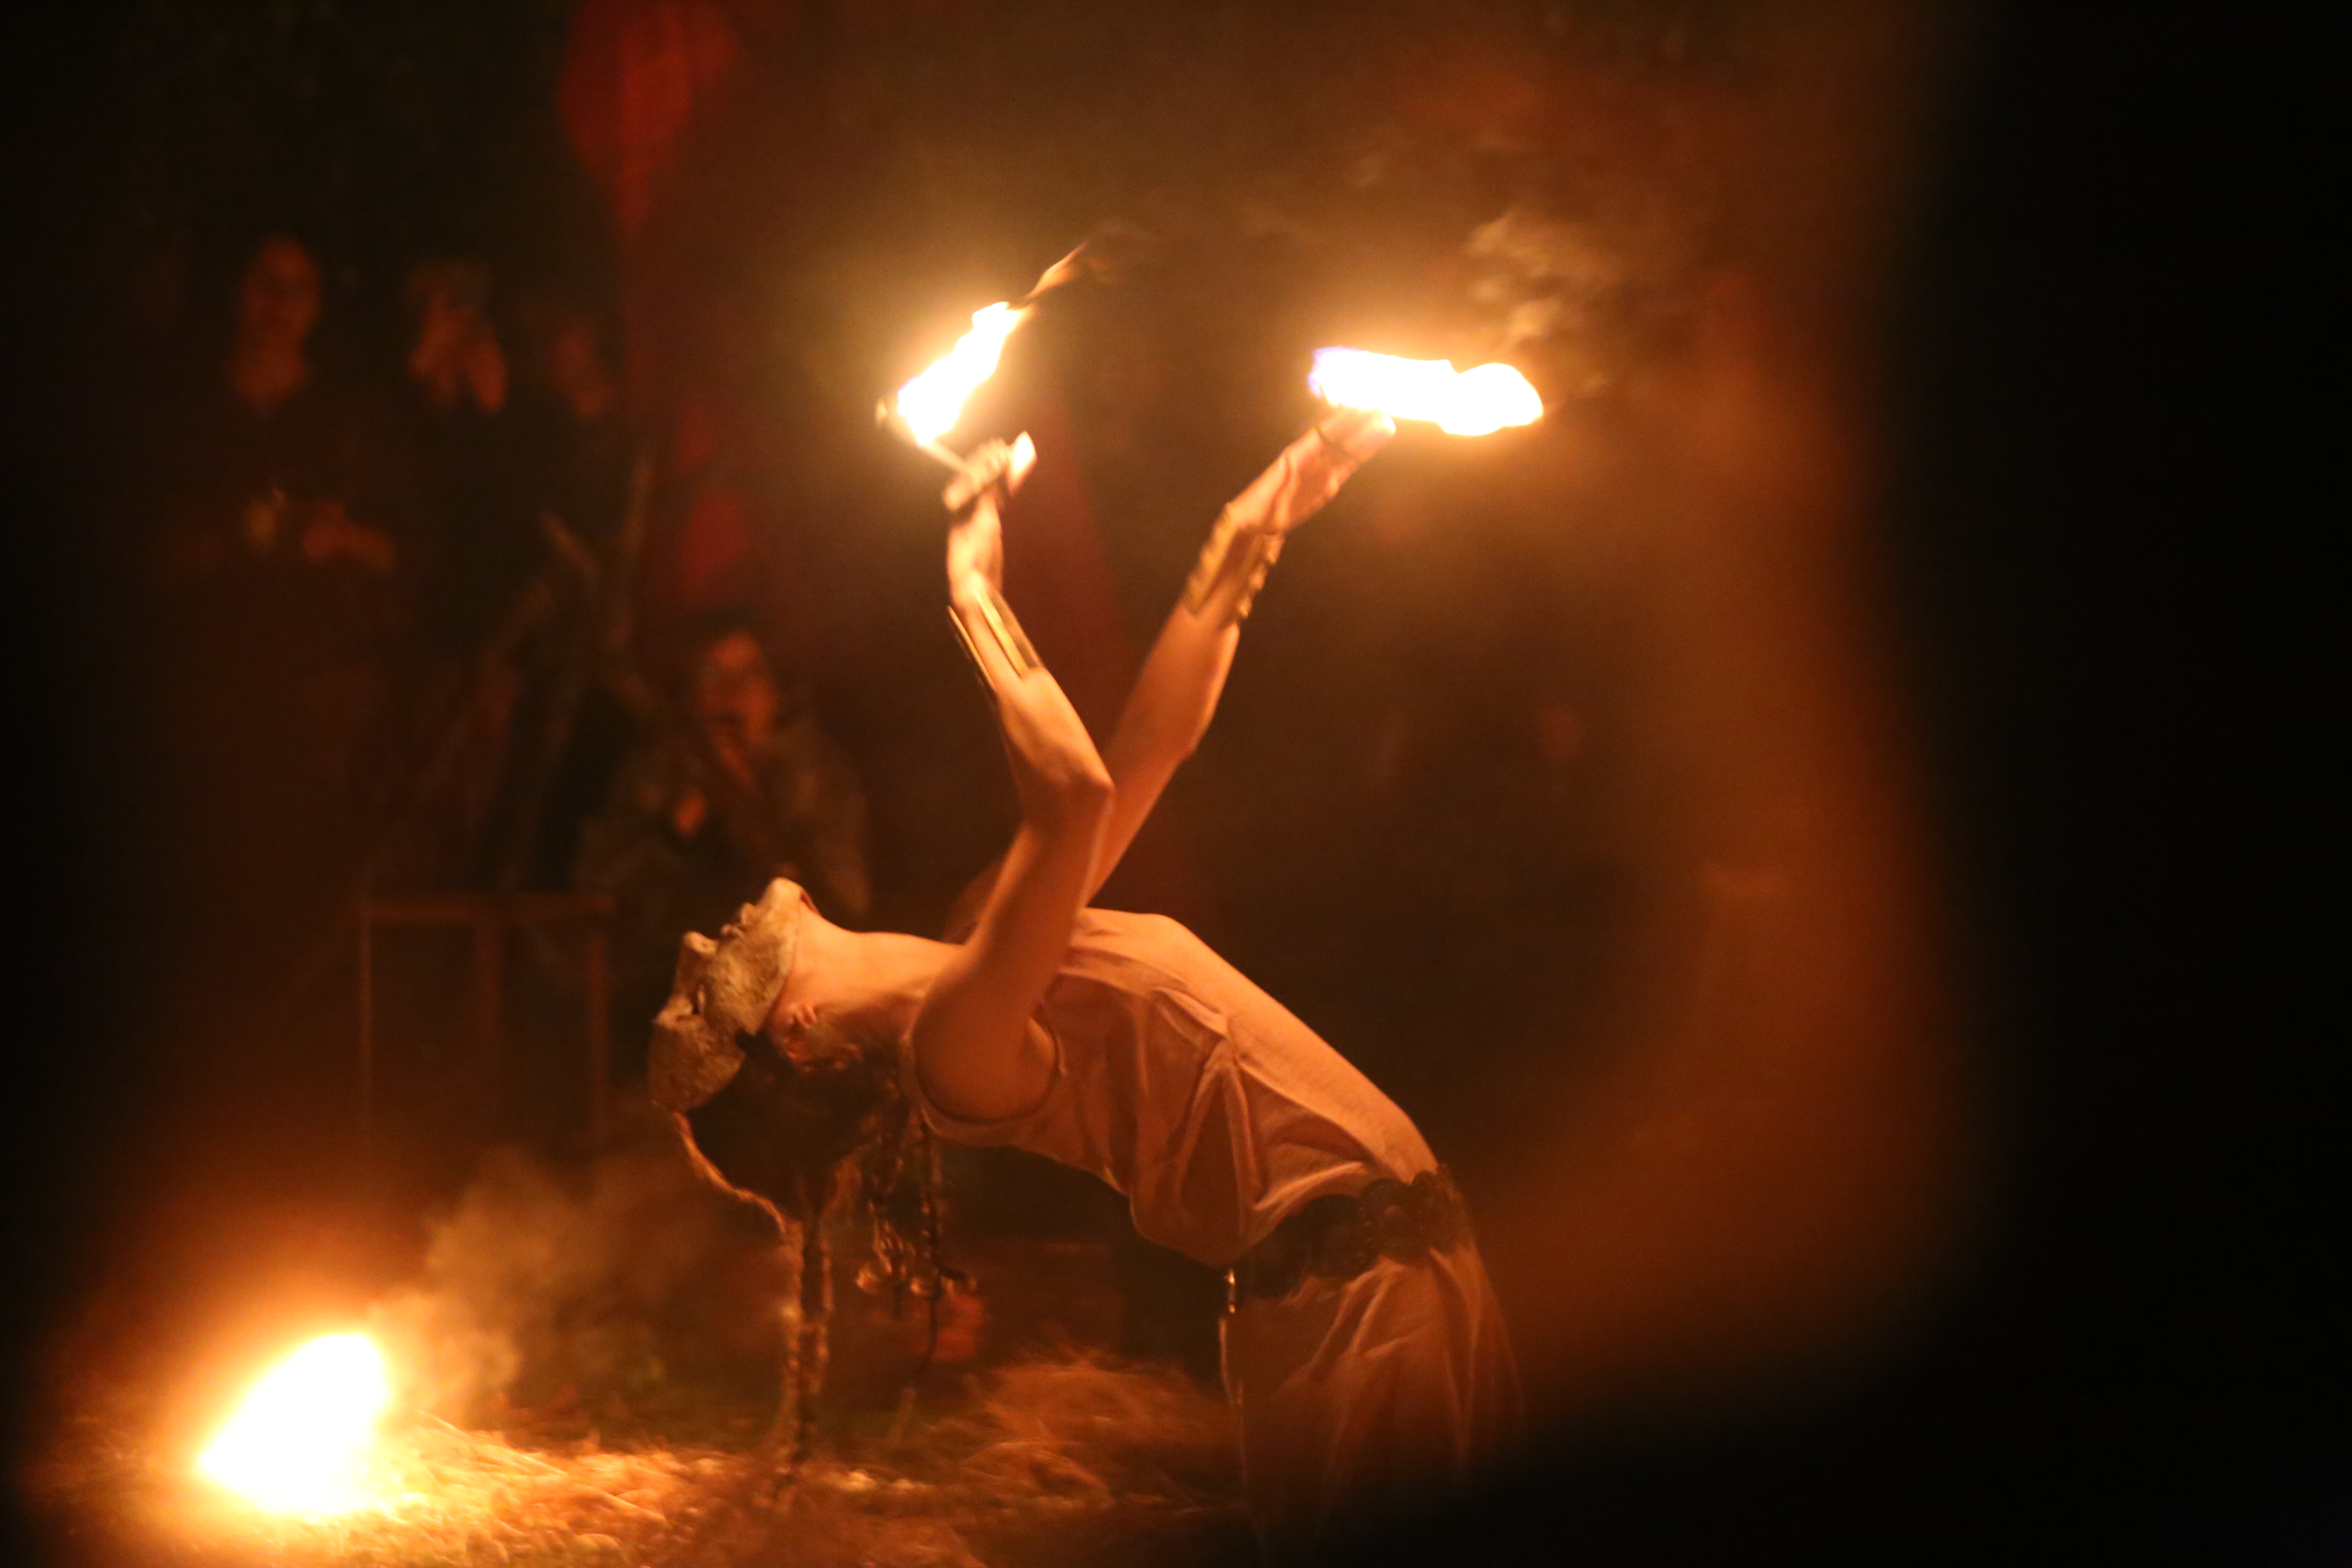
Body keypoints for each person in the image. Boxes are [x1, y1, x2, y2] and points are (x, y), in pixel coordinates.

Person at [648, 408, 1520, 1559]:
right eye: (714, 998)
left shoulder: (982, 941)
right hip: (1347, 1320)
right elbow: (1074, 793)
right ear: (797, 1038)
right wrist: (973, 596)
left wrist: (1251, 527)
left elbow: (1145, 745)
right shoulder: (953, 1052)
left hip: (1412, 1279)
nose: (711, 945)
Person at [581, 613, 873, 1074]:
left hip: (800, 1016)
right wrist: (677, 828)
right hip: (669, 1021)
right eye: (712, 675)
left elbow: (848, 904)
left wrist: (755, 809)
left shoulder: (814, 776)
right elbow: (603, 895)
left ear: (776, 692)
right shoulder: (658, 774)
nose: (731, 691)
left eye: (750, 674)